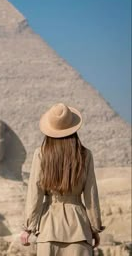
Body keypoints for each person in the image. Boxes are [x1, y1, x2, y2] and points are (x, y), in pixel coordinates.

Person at [20, 103, 105, 256]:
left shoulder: (41, 154)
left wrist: (28, 228)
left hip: (49, 229)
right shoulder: (85, 155)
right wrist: (94, 227)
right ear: (74, 128)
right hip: (79, 228)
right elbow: (91, 196)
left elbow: (35, 194)